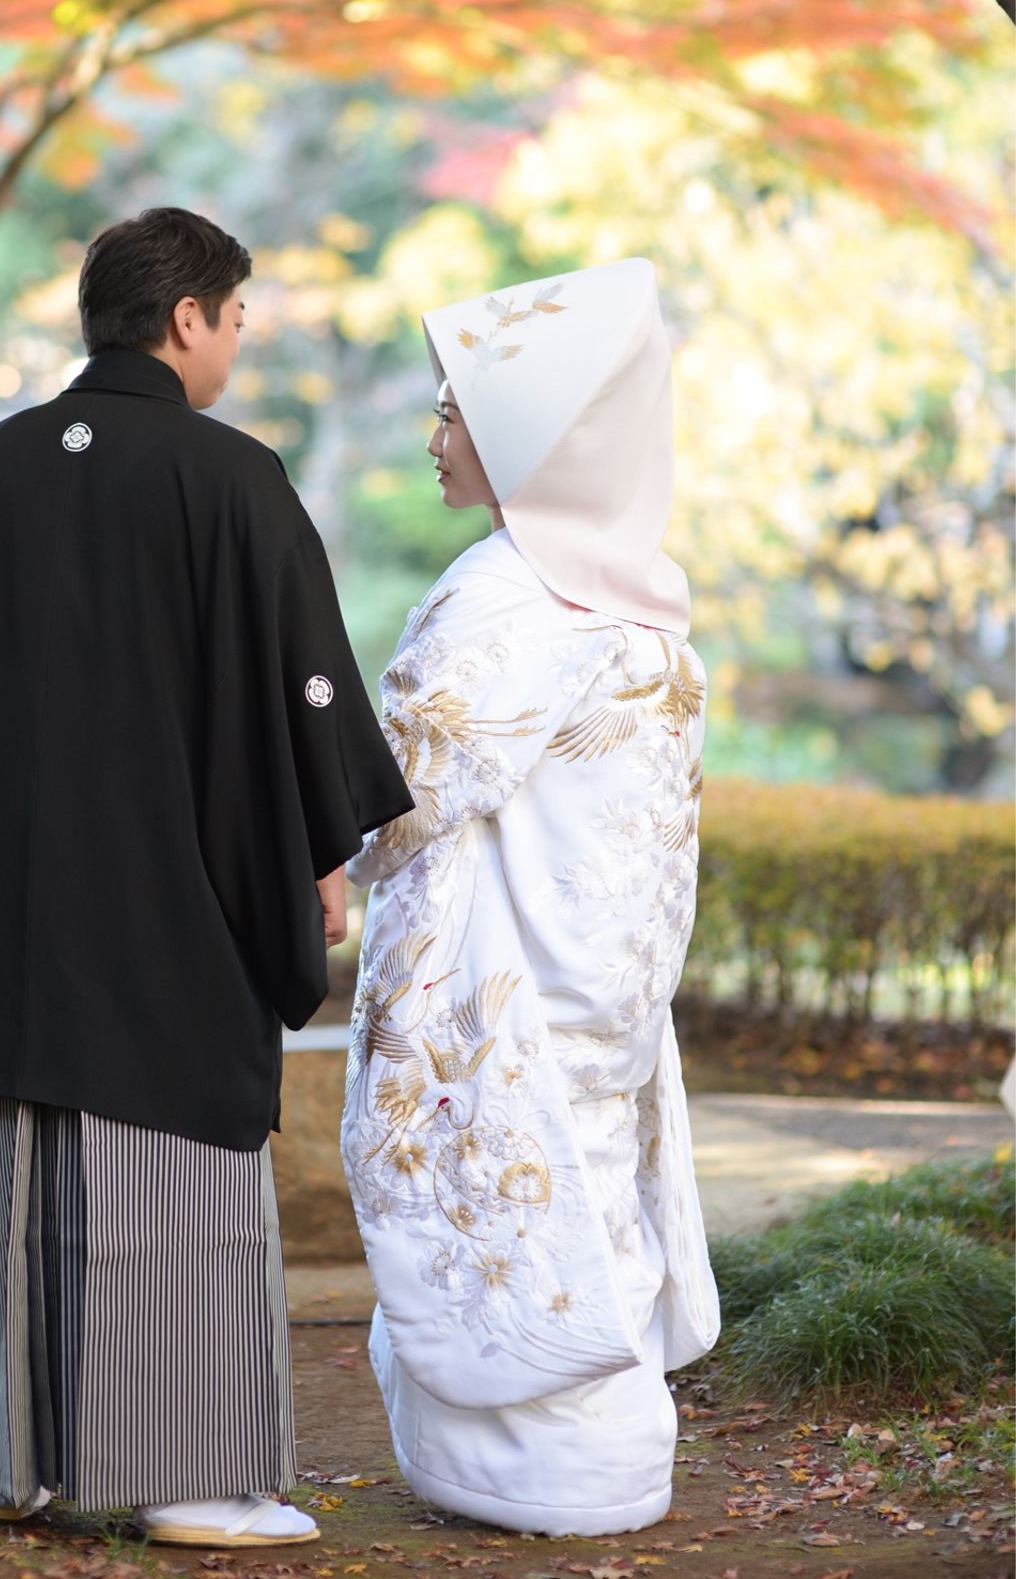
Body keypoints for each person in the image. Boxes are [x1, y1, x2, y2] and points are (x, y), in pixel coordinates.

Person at [0, 207, 414, 1549]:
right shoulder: (233, 476)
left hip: (24, 899)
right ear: (186, 318)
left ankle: (7, 1459)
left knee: (28, 1160)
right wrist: (321, 850)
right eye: (235, 319)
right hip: (180, 902)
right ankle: (192, 1476)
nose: (235, 343)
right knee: (178, 1162)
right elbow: (303, 685)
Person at [340, 258, 719, 1537]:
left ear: (524, 436)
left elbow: (397, 794)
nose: (433, 434)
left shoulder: (501, 593)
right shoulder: (644, 595)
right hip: (603, 991)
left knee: (511, 1218)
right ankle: (606, 1469)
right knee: (586, 1206)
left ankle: (531, 1481)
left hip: (501, 985)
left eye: (452, 410)